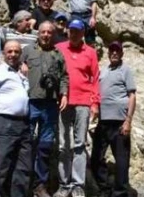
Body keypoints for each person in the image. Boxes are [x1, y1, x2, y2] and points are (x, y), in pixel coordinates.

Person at [0, 40, 33, 197]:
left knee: (23, 169)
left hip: (23, 124)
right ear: (3, 53)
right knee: (0, 168)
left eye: (16, 51)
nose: (13, 55)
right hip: (3, 123)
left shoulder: (23, 73)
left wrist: (26, 76)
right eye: (9, 51)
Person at [22, 21, 69, 197]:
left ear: (53, 34)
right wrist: (21, 65)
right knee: (26, 142)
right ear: (38, 33)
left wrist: (64, 94)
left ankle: (40, 184)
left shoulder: (58, 54)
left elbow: (65, 76)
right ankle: (24, 180)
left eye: (50, 32)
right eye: (43, 32)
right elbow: (12, 63)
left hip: (50, 104)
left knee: (45, 145)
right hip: (30, 101)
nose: (46, 35)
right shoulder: (27, 51)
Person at [56, 20, 99, 197]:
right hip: (63, 101)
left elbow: (95, 78)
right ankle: (63, 184)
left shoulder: (90, 52)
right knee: (63, 145)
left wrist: (95, 103)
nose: (74, 34)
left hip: (83, 102)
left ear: (83, 33)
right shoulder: (58, 48)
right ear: (67, 31)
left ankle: (77, 184)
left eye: (77, 31)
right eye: (71, 31)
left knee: (80, 144)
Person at [90, 42, 136, 197]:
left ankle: (120, 192)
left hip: (119, 123)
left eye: (117, 51)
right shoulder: (103, 70)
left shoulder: (126, 70)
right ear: (108, 53)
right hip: (103, 122)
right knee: (96, 157)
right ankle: (104, 189)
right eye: (112, 51)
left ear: (122, 53)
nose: (114, 53)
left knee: (122, 161)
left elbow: (132, 96)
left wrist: (128, 121)